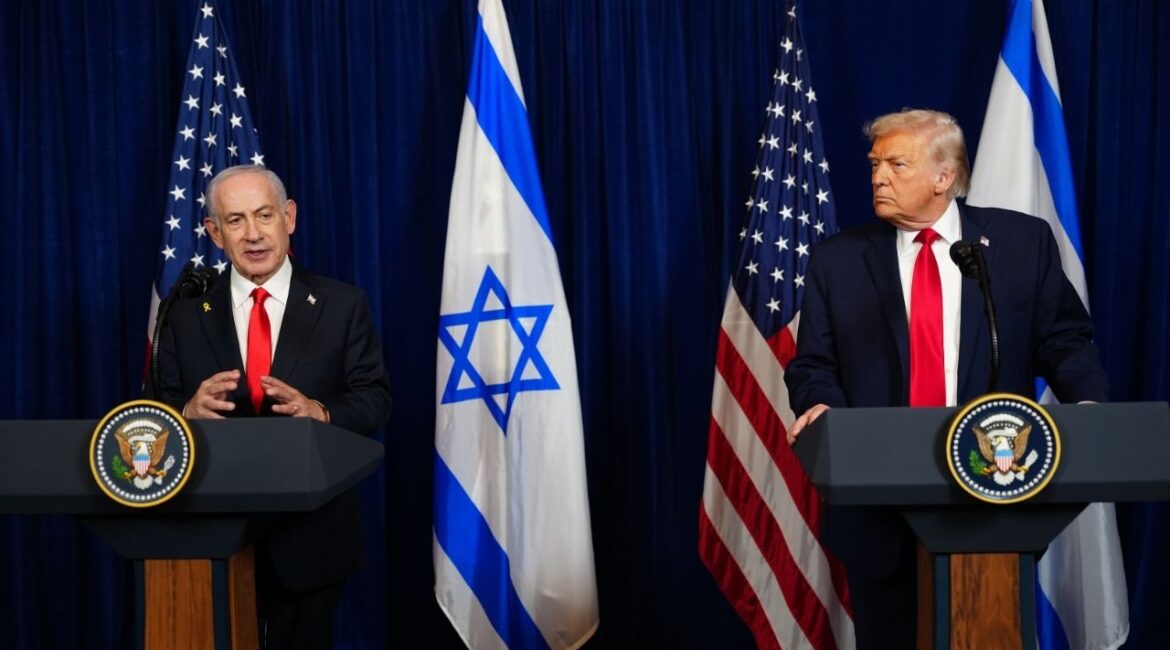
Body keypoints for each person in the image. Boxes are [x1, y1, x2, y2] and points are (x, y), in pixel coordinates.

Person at [783, 109, 1108, 647]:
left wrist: (1091, 404)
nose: (877, 176)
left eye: (896, 163)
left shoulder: (1020, 244)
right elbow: (814, 365)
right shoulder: (836, 261)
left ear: (943, 177)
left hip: (994, 498)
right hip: (880, 511)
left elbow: (1065, 341)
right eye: (874, 164)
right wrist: (819, 406)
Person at [156, 164, 392, 649]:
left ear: (289, 217)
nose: (254, 234)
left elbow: (374, 400)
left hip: (310, 537)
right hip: (212, 538)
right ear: (214, 234)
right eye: (236, 221)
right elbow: (152, 413)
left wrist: (322, 413)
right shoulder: (183, 314)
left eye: (264, 215)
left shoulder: (342, 304)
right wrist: (184, 415)